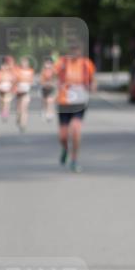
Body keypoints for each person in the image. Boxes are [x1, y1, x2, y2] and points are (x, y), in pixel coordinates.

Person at [55, 43, 96, 173]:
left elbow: (93, 80)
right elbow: (51, 74)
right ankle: (65, 149)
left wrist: (93, 86)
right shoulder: (62, 62)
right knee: (63, 136)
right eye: (72, 50)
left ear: (81, 51)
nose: (75, 53)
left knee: (76, 130)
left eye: (77, 50)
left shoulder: (86, 64)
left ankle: (74, 160)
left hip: (79, 102)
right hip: (64, 102)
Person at [14, 56, 34, 132]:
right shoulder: (17, 70)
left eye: (26, 62)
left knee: (24, 108)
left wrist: (28, 85)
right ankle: (18, 118)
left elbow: (31, 81)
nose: (24, 64)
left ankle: (23, 124)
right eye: (23, 62)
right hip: (18, 92)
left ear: (28, 63)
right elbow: (14, 80)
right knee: (19, 109)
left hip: (26, 92)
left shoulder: (30, 71)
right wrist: (17, 87)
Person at [0, 55, 16, 122]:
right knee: (2, 103)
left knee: (6, 103)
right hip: (1, 90)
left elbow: (14, 81)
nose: (5, 67)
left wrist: (13, 89)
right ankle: (3, 112)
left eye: (6, 65)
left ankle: (5, 115)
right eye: (3, 65)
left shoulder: (11, 73)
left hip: (8, 91)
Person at [39, 57, 57, 121]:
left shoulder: (54, 70)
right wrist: (44, 84)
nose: (48, 64)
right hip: (44, 88)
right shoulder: (43, 71)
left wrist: (53, 83)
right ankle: (45, 110)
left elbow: (56, 79)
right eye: (46, 63)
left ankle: (50, 113)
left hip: (52, 88)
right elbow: (41, 80)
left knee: (50, 100)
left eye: (49, 63)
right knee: (45, 101)